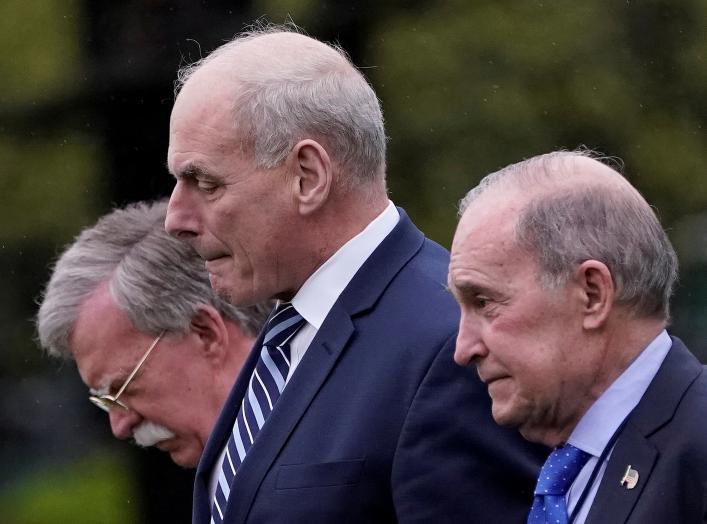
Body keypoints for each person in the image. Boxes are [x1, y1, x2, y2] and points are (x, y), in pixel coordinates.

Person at [164, 25, 545, 523]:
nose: (176, 219)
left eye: (204, 183)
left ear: (308, 177)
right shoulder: (290, 328)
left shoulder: (448, 346)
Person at [449, 150, 707, 524]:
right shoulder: (565, 469)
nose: (463, 349)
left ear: (592, 295)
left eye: (484, 302)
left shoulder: (696, 452)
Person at [36, 199, 271, 468]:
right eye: (106, 400)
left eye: (125, 388)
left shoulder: (321, 458)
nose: (119, 427)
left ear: (204, 332)